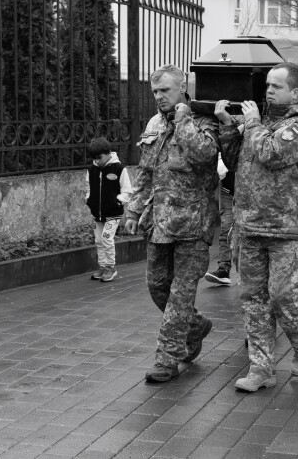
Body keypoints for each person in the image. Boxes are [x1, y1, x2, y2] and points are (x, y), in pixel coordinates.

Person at [217, 62, 298, 391]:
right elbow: (237, 162)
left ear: (295, 92)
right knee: (253, 300)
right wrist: (226, 129)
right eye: (268, 85)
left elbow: (272, 153)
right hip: (249, 227)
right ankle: (261, 368)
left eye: (277, 86)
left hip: (285, 229)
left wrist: (252, 124)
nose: (269, 90)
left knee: (281, 296)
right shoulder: (258, 121)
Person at [124, 64, 219, 382]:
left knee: (180, 295)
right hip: (159, 224)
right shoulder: (153, 123)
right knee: (158, 287)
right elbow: (145, 173)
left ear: (183, 88)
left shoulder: (204, 120)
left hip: (193, 224)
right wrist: (134, 211)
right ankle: (196, 326)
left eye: (165, 90)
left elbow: (206, 156)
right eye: (155, 92)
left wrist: (184, 123)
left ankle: (167, 359)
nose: (159, 97)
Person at [86, 137, 132, 282]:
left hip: (113, 213)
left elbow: (127, 191)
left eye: (99, 158)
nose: (97, 161)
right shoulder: (92, 170)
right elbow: (88, 187)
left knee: (106, 239)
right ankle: (102, 266)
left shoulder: (119, 169)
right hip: (97, 213)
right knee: (99, 240)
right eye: (95, 158)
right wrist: (88, 199)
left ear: (108, 153)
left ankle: (111, 267)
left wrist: (118, 201)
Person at [205, 156, 235, 286]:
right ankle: (224, 269)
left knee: (250, 231)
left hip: (252, 191)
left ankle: (251, 273)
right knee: (226, 229)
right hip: (228, 189)